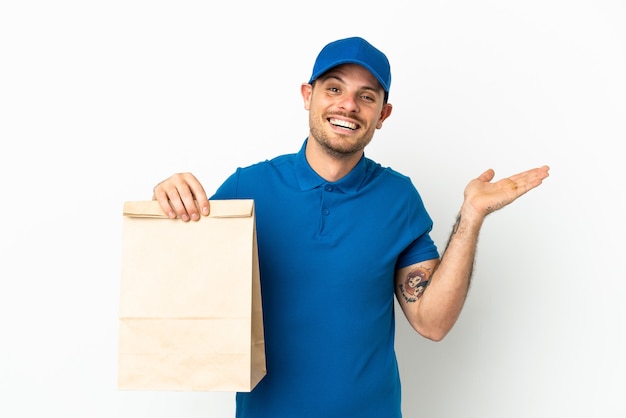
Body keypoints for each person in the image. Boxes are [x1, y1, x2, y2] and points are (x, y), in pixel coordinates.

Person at [152, 36, 550, 418]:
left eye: (366, 96)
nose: (348, 106)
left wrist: (471, 218)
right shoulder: (247, 188)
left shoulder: (398, 198)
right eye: (334, 88)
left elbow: (432, 322)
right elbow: (178, 288)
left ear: (382, 115)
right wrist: (165, 200)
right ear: (308, 96)